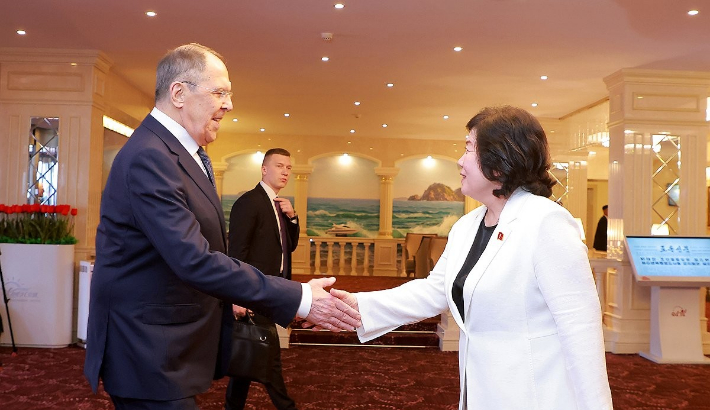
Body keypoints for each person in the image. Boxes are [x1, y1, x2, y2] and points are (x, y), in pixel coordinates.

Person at [84, 43, 360, 410]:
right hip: (147, 350)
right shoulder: (150, 156)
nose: (229, 105)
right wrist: (299, 297)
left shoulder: (177, 153)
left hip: (166, 347)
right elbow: (194, 259)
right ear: (178, 93)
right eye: (219, 92)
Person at [330, 106, 613, 409]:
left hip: (533, 394)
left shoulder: (546, 221)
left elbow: (580, 328)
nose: (460, 161)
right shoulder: (467, 226)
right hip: (481, 390)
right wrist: (357, 305)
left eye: (468, 148)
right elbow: (434, 291)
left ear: (499, 161)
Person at [225, 148, 300, 410]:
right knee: (270, 357)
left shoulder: (279, 205)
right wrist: (237, 297)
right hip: (254, 292)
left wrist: (292, 218)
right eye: (279, 166)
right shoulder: (249, 202)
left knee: (247, 360)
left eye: (289, 168)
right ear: (264, 169)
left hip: (273, 290)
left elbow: (288, 247)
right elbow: (237, 253)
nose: (285, 172)